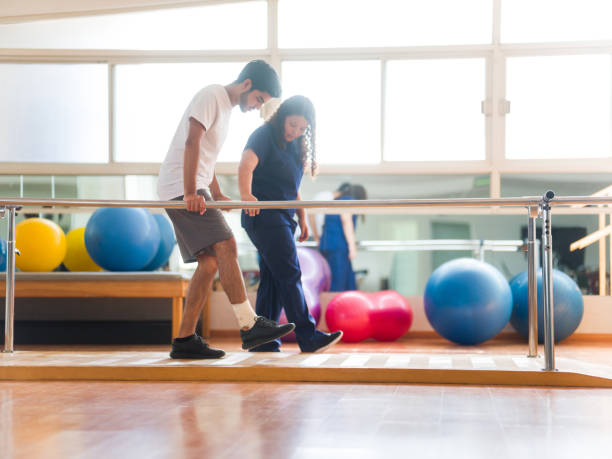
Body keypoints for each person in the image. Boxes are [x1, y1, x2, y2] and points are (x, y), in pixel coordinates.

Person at [158, 60, 295, 359]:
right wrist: (193, 192)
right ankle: (249, 325)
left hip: (191, 186)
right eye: (259, 99)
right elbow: (192, 141)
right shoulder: (212, 96)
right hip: (180, 187)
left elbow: (206, 154)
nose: (257, 106)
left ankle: (184, 340)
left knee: (208, 265)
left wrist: (216, 192)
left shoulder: (225, 108)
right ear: (246, 84)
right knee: (227, 245)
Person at [238, 95, 343, 353]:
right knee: (290, 273)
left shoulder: (296, 146)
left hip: (284, 219)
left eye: (301, 128)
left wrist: (303, 217)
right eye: (292, 124)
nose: (295, 131)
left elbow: (292, 189)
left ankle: (262, 340)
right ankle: (308, 336)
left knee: (273, 278)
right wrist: (246, 196)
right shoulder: (263, 136)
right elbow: (245, 167)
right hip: (263, 216)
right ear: (282, 117)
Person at [319, 183, 367, 291]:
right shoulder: (349, 200)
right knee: (338, 284)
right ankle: (336, 307)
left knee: (342, 281)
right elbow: (346, 221)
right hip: (338, 246)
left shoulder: (335, 201)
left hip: (327, 245)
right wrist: (352, 246)